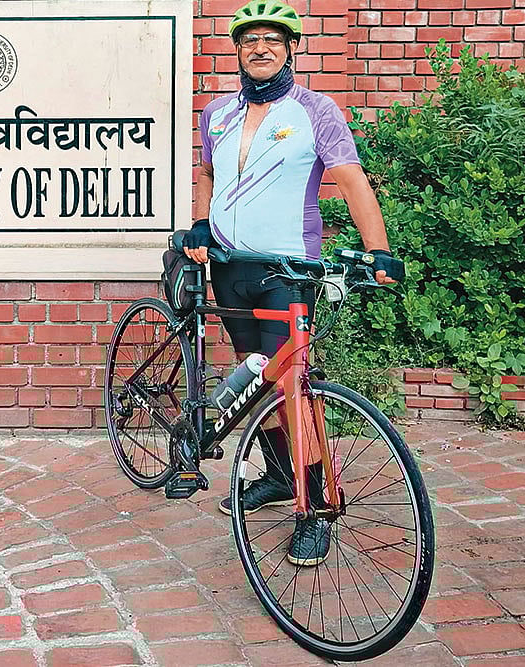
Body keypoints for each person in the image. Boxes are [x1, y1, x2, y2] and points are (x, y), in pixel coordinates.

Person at [182, 0, 402, 567]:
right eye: (250, 39)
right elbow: (207, 172)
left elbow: (351, 181)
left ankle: (316, 505)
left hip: (288, 269)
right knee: (256, 377)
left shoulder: (317, 110)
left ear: (290, 49)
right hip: (230, 267)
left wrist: (379, 251)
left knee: (295, 387)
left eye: (272, 40)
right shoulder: (218, 112)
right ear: (237, 50)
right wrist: (201, 222)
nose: (261, 48)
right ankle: (280, 477)